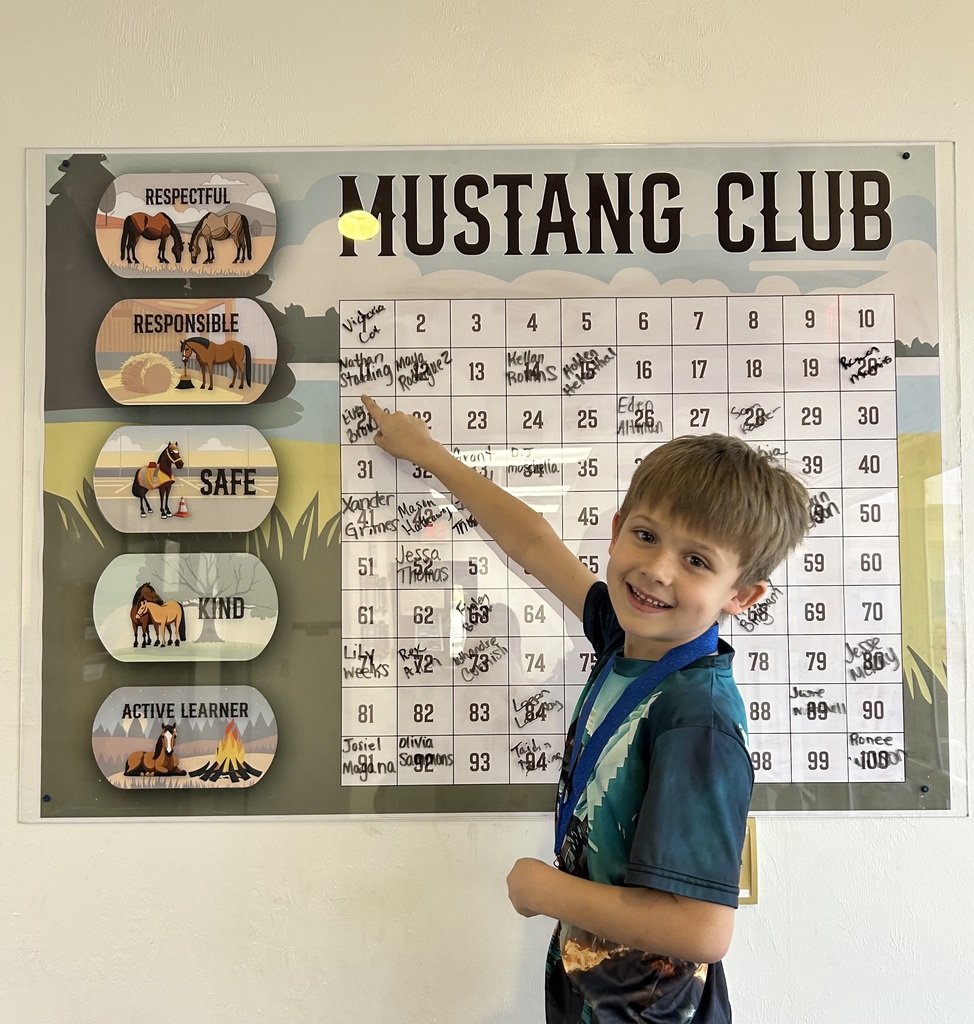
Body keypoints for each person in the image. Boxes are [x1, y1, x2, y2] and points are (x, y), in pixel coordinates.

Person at [360, 395, 809, 1024]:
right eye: (645, 536)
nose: (656, 570)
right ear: (617, 528)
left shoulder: (695, 715)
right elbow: (535, 543)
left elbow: (702, 931)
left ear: (742, 595)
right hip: (598, 994)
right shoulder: (627, 640)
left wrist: (550, 891)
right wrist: (430, 455)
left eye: (696, 561)